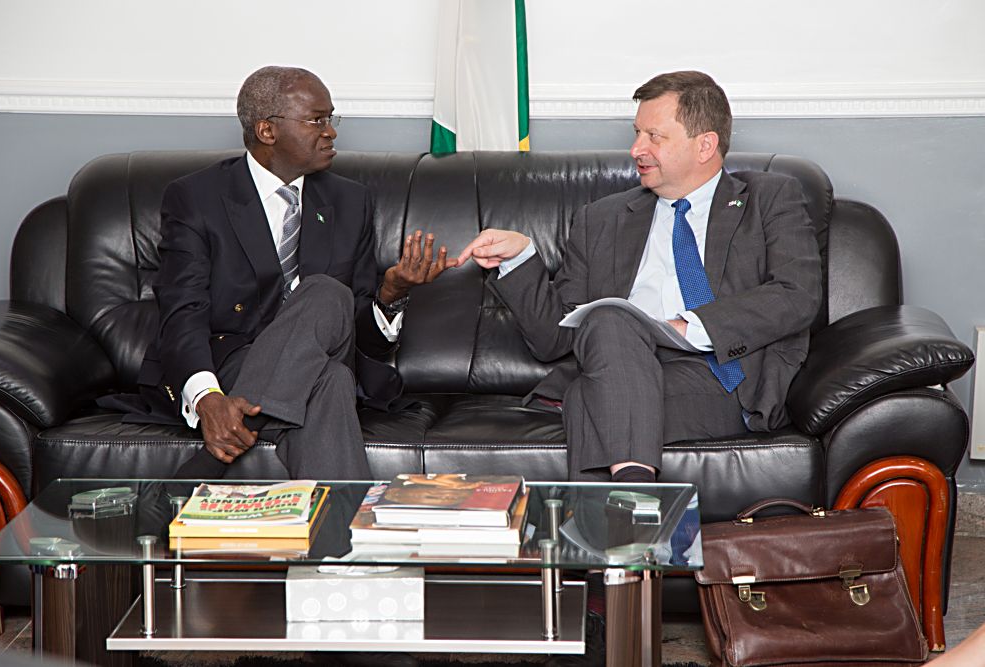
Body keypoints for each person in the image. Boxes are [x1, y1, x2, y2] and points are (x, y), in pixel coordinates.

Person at [457, 71, 822, 485]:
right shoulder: (602, 219)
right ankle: (635, 513)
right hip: (619, 362)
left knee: (588, 395)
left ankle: (611, 529)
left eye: (654, 136)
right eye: (636, 134)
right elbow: (553, 340)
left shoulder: (770, 199)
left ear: (705, 145)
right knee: (611, 325)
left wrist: (690, 327)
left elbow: (797, 294)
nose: (636, 149)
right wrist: (521, 258)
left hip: (716, 375)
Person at [108, 66, 455, 483]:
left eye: (332, 119)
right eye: (317, 120)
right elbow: (183, 310)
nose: (331, 133)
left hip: (318, 349)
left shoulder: (349, 201)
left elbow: (360, 335)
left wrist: (391, 293)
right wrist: (207, 398)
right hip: (234, 361)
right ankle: (342, 540)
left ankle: (211, 463)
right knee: (331, 382)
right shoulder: (196, 198)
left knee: (327, 294)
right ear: (267, 131)